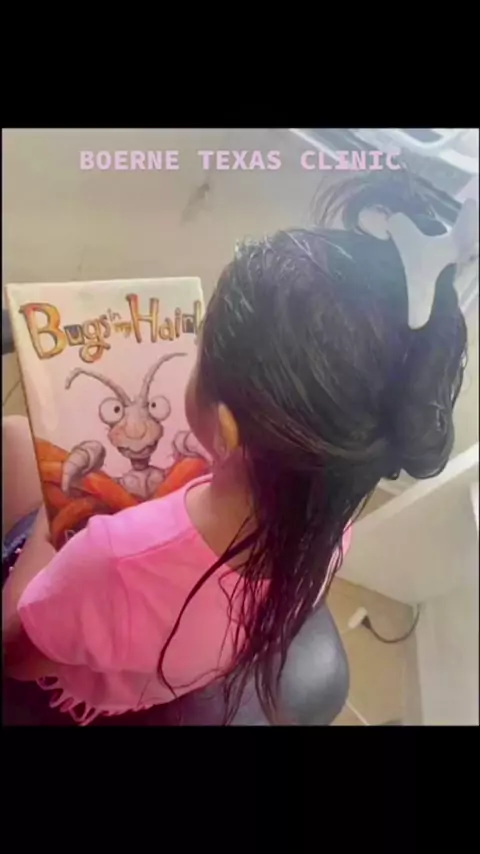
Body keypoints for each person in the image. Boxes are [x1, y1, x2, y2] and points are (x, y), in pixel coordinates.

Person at [2, 169, 473, 726]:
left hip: (76, 678)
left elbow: (17, 655)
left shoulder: (111, 560)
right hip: (159, 663)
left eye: (199, 347)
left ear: (226, 430)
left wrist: (52, 523)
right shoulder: (330, 530)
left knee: (15, 437)